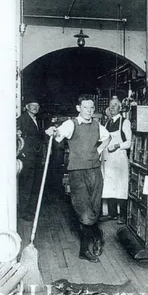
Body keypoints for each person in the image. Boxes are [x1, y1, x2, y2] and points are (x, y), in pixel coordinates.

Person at [47, 95, 111, 263]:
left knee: (95, 209)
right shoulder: (71, 124)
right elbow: (59, 133)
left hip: (95, 172)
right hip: (77, 172)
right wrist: (53, 131)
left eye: (91, 108)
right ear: (78, 108)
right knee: (84, 211)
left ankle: (97, 234)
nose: (89, 111)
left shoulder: (97, 125)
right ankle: (85, 250)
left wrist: (98, 150)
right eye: (85, 107)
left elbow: (108, 137)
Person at [100, 96, 132, 224]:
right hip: (108, 160)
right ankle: (112, 214)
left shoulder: (125, 122)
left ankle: (122, 216)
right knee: (109, 186)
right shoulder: (107, 123)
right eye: (110, 105)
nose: (112, 107)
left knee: (121, 187)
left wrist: (118, 145)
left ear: (120, 107)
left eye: (115, 105)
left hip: (119, 159)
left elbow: (129, 142)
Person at [17, 99, 46, 221]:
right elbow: (17, 139)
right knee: (26, 185)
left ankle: (32, 211)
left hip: (36, 156)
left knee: (35, 185)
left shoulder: (38, 120)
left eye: (37, 105)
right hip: (26, 157)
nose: (35, 107)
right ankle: (24, 212)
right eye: (32, 105)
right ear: (26, 107)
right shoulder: (21, 120)